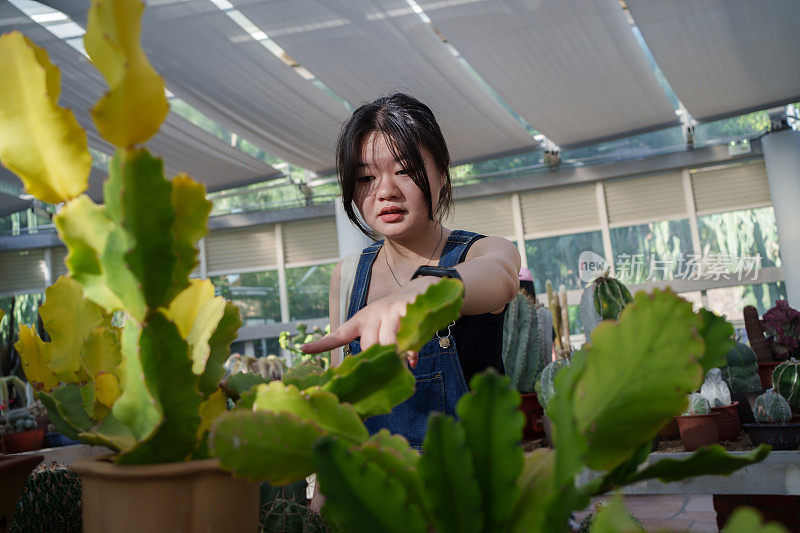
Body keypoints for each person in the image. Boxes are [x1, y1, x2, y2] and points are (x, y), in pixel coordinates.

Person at [302, 93, 520, 448]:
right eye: (365, 178)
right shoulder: (348, 275)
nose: (385, 191)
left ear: (442, 176)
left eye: (404, 171)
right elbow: (342, 409)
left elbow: (501, 277)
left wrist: (424, 291)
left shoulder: (480, 251)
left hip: (473, 492)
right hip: (381, 490)